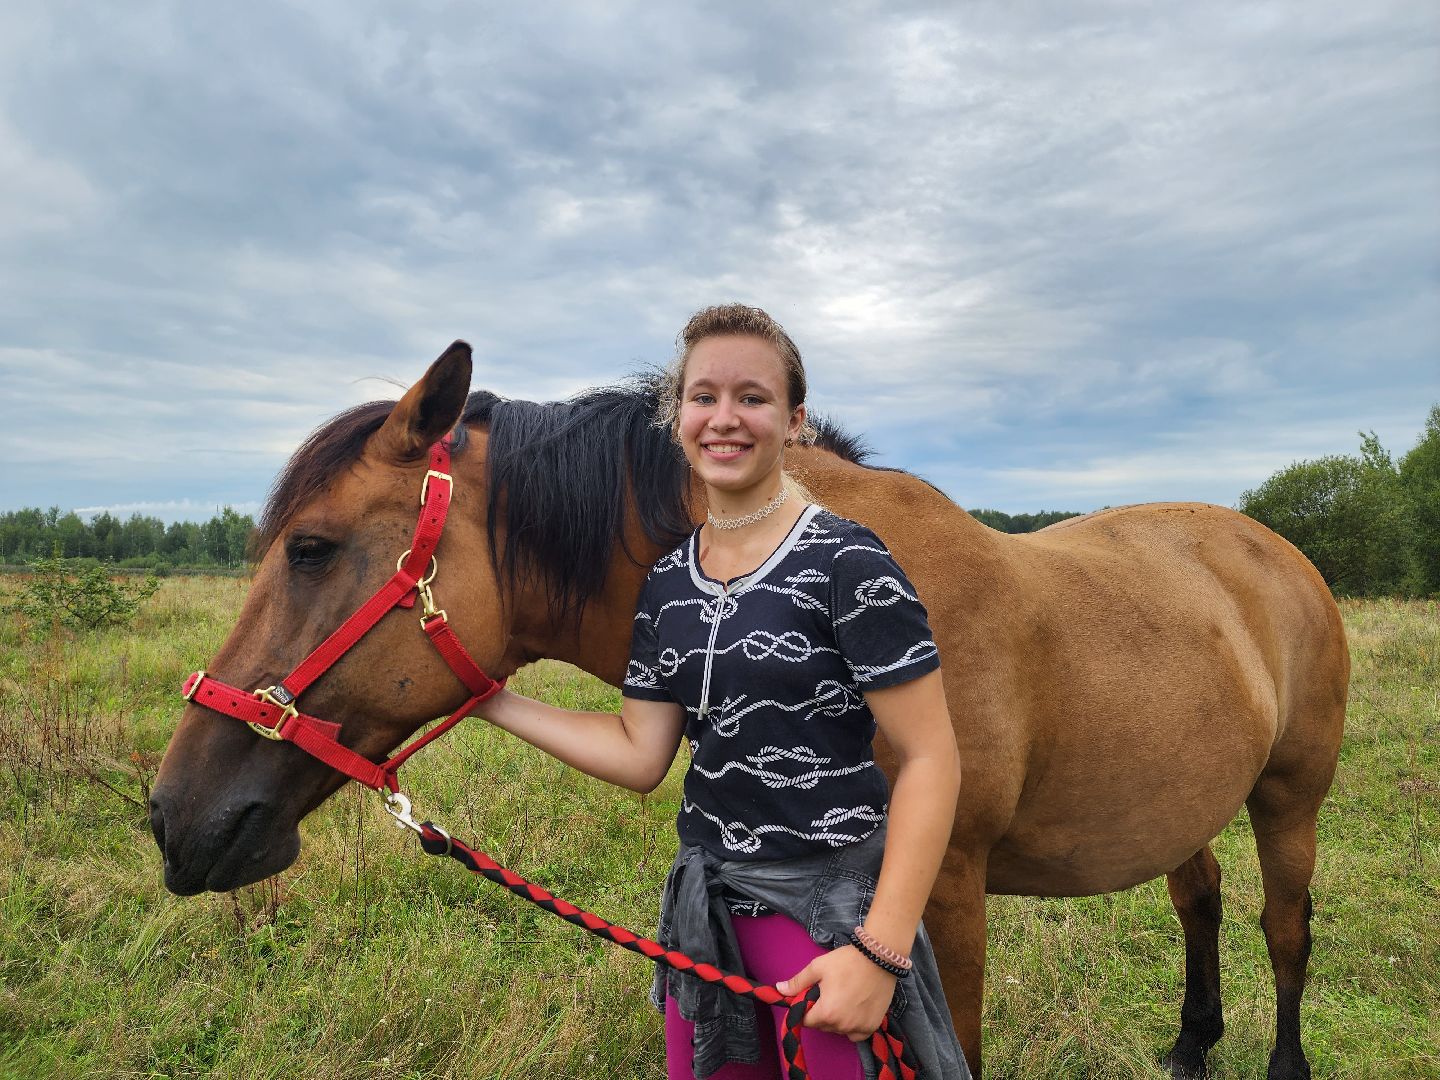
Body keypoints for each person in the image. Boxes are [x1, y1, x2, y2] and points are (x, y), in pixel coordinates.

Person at [473, 304, 967, 1079]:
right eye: (703, 396)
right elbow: (641, 752)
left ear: (795, 421)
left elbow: (932, 757)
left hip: (827, 922)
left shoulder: (849, 562)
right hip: (706, 922)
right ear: (677, 418)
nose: (724, 418)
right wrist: (491, 700)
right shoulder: (668, 583)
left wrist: (879, 951)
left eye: (752, 397)